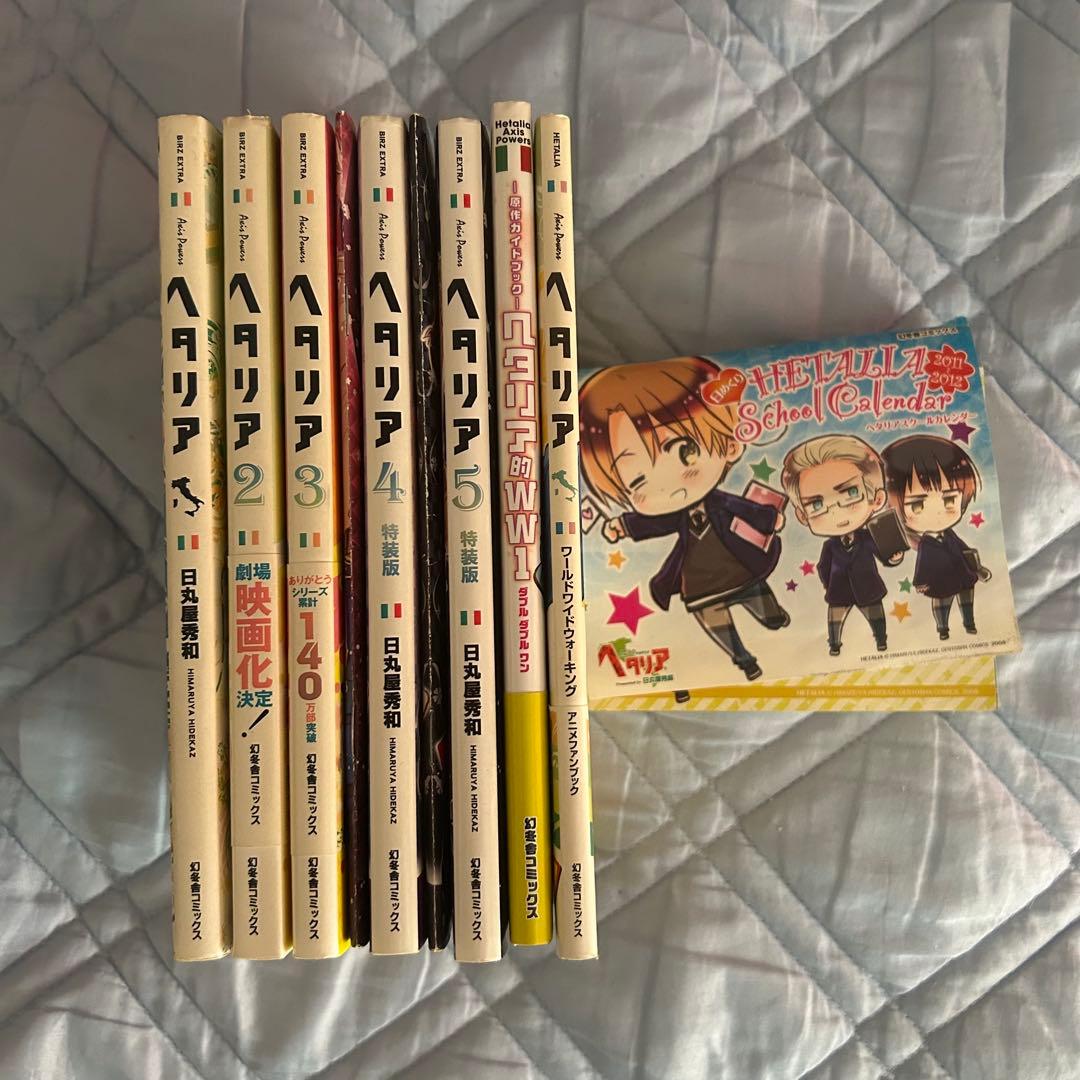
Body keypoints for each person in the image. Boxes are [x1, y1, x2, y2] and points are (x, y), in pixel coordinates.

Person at [580, 357, 788, 682]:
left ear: (730, 446)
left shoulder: (718, 501)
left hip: (737, 565)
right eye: (637, 481)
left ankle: (772, 616)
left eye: (685, 452)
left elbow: (743, 507)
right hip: (698, 579)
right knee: (712, 616)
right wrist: (625, 525)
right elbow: (657, 523)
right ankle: (743, 658)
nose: (666, 485)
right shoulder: (674, 514)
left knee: (756, 596)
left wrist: (769, 518)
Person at [780, 435, 903, 656]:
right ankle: (834, 645)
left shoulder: (868, 536)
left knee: (877, 617)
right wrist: (829, 585)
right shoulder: (830, 545)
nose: (835, 511)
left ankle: (881, 641)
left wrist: (894, 558)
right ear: (802, 516)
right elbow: (823, 567)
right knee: (834, 621)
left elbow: (883, 553)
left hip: (869, 588)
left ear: (876, 498)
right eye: (817, 504)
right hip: (839, 591)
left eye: (851, 493)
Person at [882, 434, 990, 639]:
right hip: (941, 580)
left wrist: (978, 568)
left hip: (962, 573)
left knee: (967, 600)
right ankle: (943, 629)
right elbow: (922, 564)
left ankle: (969, 623)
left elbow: (964, 550)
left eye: (949, 500)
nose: (938, 513)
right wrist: (920, 582)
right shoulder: (926, 544)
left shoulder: (950, 534)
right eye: (917, 505)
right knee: (942, 603)